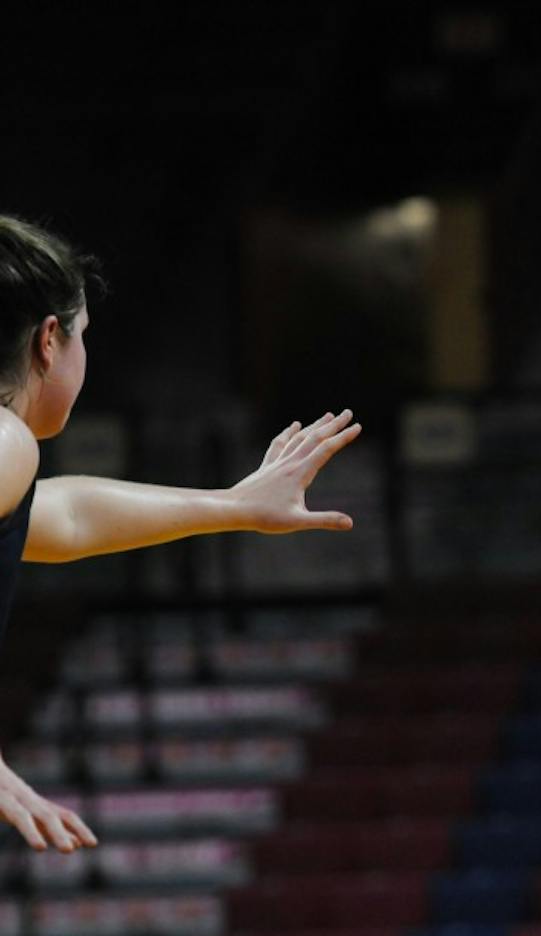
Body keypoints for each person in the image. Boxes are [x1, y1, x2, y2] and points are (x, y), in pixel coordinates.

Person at [0, 215, 362, 855]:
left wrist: (233, 504)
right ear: (49, 341)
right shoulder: (6, 439)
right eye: (85, 335)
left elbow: (65, 517)